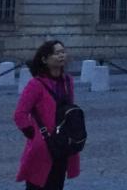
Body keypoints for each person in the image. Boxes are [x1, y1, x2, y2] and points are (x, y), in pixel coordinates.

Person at [13, 40, 81, 190]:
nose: (62, 55)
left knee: (56, 185)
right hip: (43, 147)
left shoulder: (68, 81)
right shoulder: (35, 85)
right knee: (37, 184)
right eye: (57, 53)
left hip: (62, 144)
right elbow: (20, 114)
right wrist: (35, 135)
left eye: (63, 52)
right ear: (44, 59)